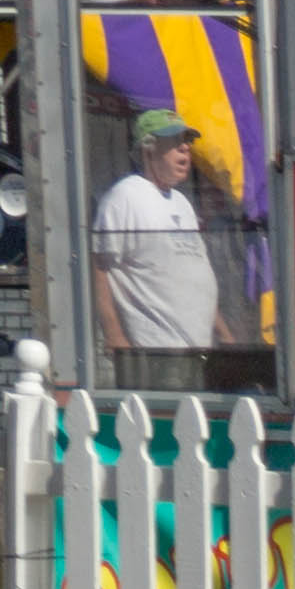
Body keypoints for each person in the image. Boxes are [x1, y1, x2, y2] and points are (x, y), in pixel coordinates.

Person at [94, 113, 226, 388]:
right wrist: (114, 336)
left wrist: (223, 333)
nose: (185, 149)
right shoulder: (125, 197)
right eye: (176, 141)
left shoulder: (182, 203)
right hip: (157, 356)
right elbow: (98, 268)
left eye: (187, 142)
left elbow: (196, 273)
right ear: (148, 147)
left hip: (198, 352)